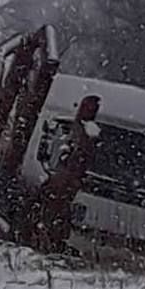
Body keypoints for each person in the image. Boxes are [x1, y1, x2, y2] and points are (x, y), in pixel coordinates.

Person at [31, 94, 101, 253]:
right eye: (89, 107)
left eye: (92, 108)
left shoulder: (85, 135)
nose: (90, 111)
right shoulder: (78, 133)